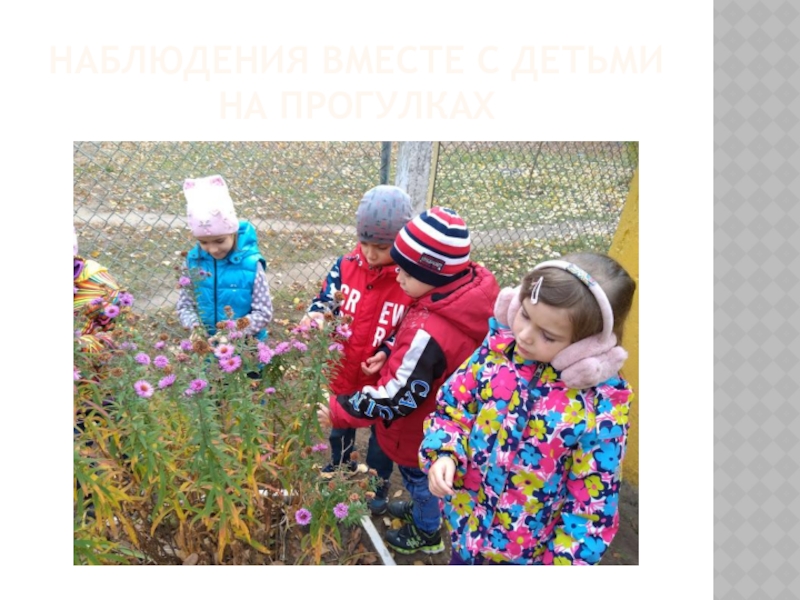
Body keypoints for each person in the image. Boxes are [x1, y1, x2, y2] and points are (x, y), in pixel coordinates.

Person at [420, 252, 636, 565]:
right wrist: (444, 452)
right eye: (524, 314)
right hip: (466, 526)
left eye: (548, 335)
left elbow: (591, 506)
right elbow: (452, 410)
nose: (523, 334)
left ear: (588, 348)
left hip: (525, 555)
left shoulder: (599, 409)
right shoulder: (497, 352)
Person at [318, 207, 500, 555]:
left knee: (420, 481)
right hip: (439, 415)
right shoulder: (452, 297)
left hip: (421, 431)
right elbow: (417, 345)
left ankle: (427, 532)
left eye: (406, 270)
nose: (397, 275)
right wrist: (389, 350)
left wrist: (338, 410)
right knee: (421, 481)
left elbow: (395, 395)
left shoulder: (430, 327)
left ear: (432, 273)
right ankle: (422, 513)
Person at [300, 185, 414, 515]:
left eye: (381, 247)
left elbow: (409, 325)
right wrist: (316, 314)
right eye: (364, 243)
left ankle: (376, 486)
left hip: (381, 378)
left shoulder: (408, 280)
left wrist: (388, 349)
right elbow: (326, 298)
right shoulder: (345, 265)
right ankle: (340, 466)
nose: (370, 253)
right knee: (340, 423)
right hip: (343, 365)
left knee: (382, 436)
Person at [176, 174, 273, 342]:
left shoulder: (251, 265)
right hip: (206, 345)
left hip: (247, 346)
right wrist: (196, 328)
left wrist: (231, 332)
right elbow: (185, 305)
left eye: (220, 241)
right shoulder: (193, 263)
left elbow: (263, 312)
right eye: (203, 242)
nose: (212, 249)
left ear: (233, 233)